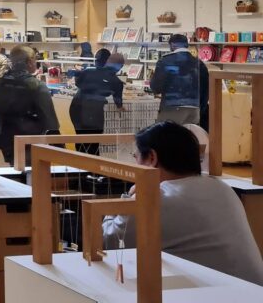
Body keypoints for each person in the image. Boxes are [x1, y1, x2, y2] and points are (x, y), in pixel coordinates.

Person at [103, 122, 263, 285]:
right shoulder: (221, 188)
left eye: (136, 157)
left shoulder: (156, 198)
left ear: (152, 158)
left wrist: (126, 197)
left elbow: (109, 242)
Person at [0, 45, 60, 165]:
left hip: (1, 145)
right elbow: (51, 124)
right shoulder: (36, 86)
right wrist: (62, 153)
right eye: (35, 60)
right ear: (30, 62)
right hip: (28, 145)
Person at [69, 49, 125, 155]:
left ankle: (81, 166)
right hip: (93, 112)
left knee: (81, 140)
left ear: (107, 61)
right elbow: (119, 104)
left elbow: (78, 83)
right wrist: (120, 107)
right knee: (93, 143)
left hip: (76, 107)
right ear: (120, 67)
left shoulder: (88, 71)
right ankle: (92, 168)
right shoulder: (116, 82)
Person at [150, 35, 209, 127]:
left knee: (166, 137)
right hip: (194, 109)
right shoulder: (199, 63)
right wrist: (201, 108)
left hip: (172, 107)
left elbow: (156, 87)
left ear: (172, 45)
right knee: (188, 137)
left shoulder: (165, 61)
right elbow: (206, 90)